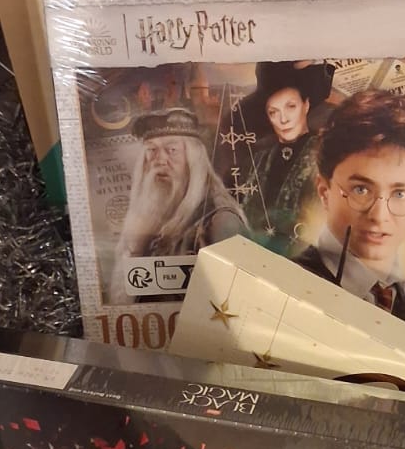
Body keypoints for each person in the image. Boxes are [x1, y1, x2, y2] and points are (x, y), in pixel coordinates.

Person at [295, 89, 405, 325]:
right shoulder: (292, 286)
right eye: (361, 190)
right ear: (324, 191)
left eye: (400, 194)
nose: (379, 216)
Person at [113, 107, 246, 298]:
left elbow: (235, 298)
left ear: (193, 159)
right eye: (151, 150)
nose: (159, 160)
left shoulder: (220, 220)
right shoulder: (153, 214)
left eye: (172, 150)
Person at [239, 61, 332, 241]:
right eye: (273, 112)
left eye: (291, 107)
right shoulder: (257, 160)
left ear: (306, 105)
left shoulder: (327, 152)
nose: (283, 119)